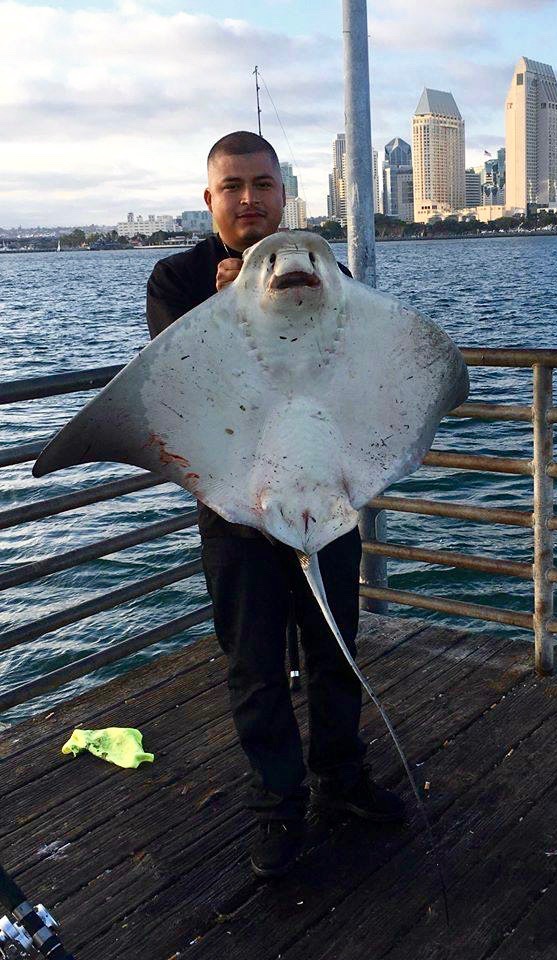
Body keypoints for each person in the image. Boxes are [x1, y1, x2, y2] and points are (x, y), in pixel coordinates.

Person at [146, 131, 405, 880]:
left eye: (263, 184)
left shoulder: (327, 273)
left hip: (323, 497)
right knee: (254, 664)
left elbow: (366, 370)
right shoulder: (176, 279)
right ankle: (277, 806)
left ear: (284, 194)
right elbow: (178, 392)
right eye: (233, 186)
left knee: (335, 649)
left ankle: (343, 780)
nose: (250, 199)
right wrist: (224, 307)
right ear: (210, 200)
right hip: (236, 505)